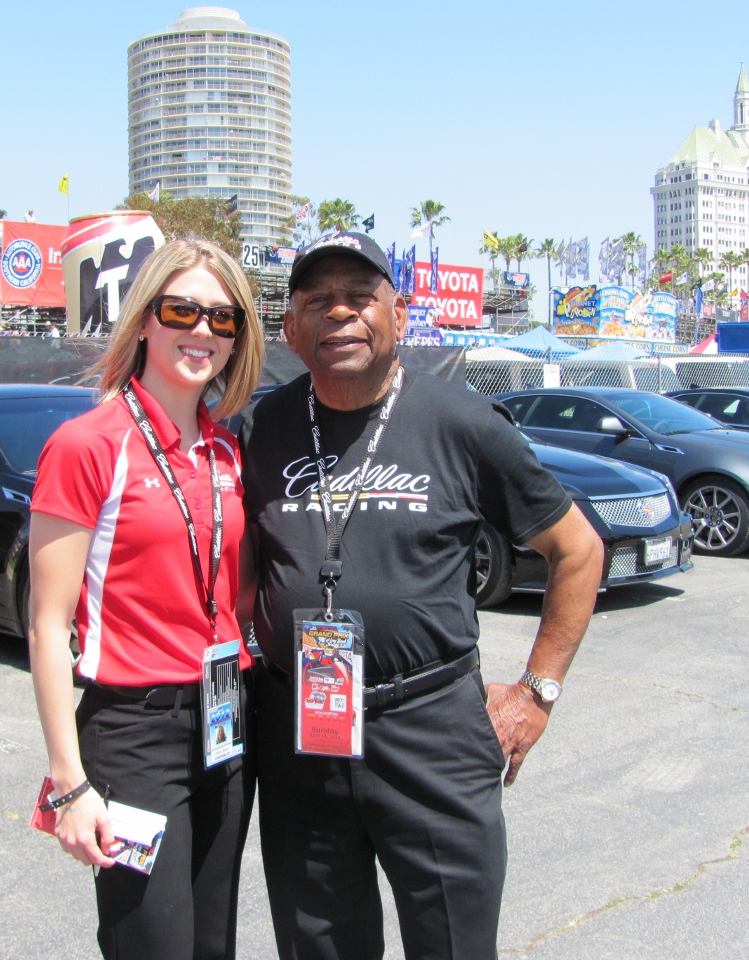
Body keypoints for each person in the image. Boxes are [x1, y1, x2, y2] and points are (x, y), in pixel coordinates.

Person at [240, 232, 605, 960]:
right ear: (290, 329)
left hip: (430, 730)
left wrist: (538, 691)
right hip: (301, 732)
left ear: (399, 315)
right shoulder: (260, 427)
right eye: (317, 301)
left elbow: (579, 549)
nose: (339, 313)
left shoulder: (461, 422)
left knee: (454, 946)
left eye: (359, 297)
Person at [28, 238, 265, 960]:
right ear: (143, 322)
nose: (202, 331)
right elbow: (46, 627)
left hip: (226, 715)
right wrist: (69, 785)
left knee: (211, 945)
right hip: (134, 735)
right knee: (151, 945)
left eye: (222, 319)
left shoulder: (227, 451)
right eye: (181, 310)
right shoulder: (87, 444)